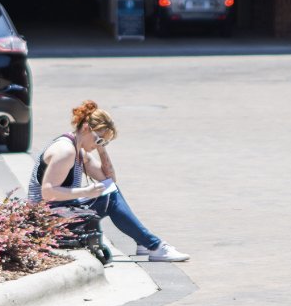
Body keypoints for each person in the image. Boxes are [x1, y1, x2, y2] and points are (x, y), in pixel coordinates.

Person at [28, 100, 189, 262]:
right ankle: (153, 245)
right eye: (99, 139)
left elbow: (109, 179)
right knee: (109, 197)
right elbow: (48, 192)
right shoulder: (65, 151)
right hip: (46, 220)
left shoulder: (78, 151)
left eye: (104, 142)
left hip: (61, 211)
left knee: (111, 190)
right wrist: (86, 191)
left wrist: (100, 148)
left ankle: (144, 242)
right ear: (85, 128)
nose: (100, 144)